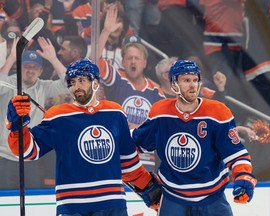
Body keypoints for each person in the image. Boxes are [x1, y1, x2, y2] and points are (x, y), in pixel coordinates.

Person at [6, 58, 162, 215]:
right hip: (72, 205)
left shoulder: (115, 112)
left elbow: (128, 161)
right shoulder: (58, 116)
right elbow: (27, 151)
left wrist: (149, 188)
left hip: (112, 202)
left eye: (82, 80)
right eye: (72, 82)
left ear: (95, 83)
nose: (76, 86)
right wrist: (17, 125)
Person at [132, 60, 257, 215]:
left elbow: (236, 154)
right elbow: (131, 148)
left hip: (213, 198)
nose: (193, 85)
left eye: (195, 80)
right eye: (186, 80)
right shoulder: (160, 113)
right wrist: (142, 182)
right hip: (173, 198)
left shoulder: (218, 112)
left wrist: (243, 176)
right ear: (174, 85)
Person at [98, 5, 166, 171]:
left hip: (146, 161)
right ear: (123, 61)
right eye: (129, 58)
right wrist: (105, 32)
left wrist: (141, 130)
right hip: (117, 156)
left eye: (137, 58)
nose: (133, 62)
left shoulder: (157, 92)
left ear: (145, 63)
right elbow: (95, 60)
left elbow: (163, 127)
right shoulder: (117, 79)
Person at [0, 39, 69, 189]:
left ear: (41, 71)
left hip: (31, 159)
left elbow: (69, 85)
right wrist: (12, 57)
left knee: (33, 202)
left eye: (35, 67)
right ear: (19, 67)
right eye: (26, 66)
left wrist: (53, 58)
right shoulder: (8, 82)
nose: (30, 70)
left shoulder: (43, 86)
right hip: (5, 158)